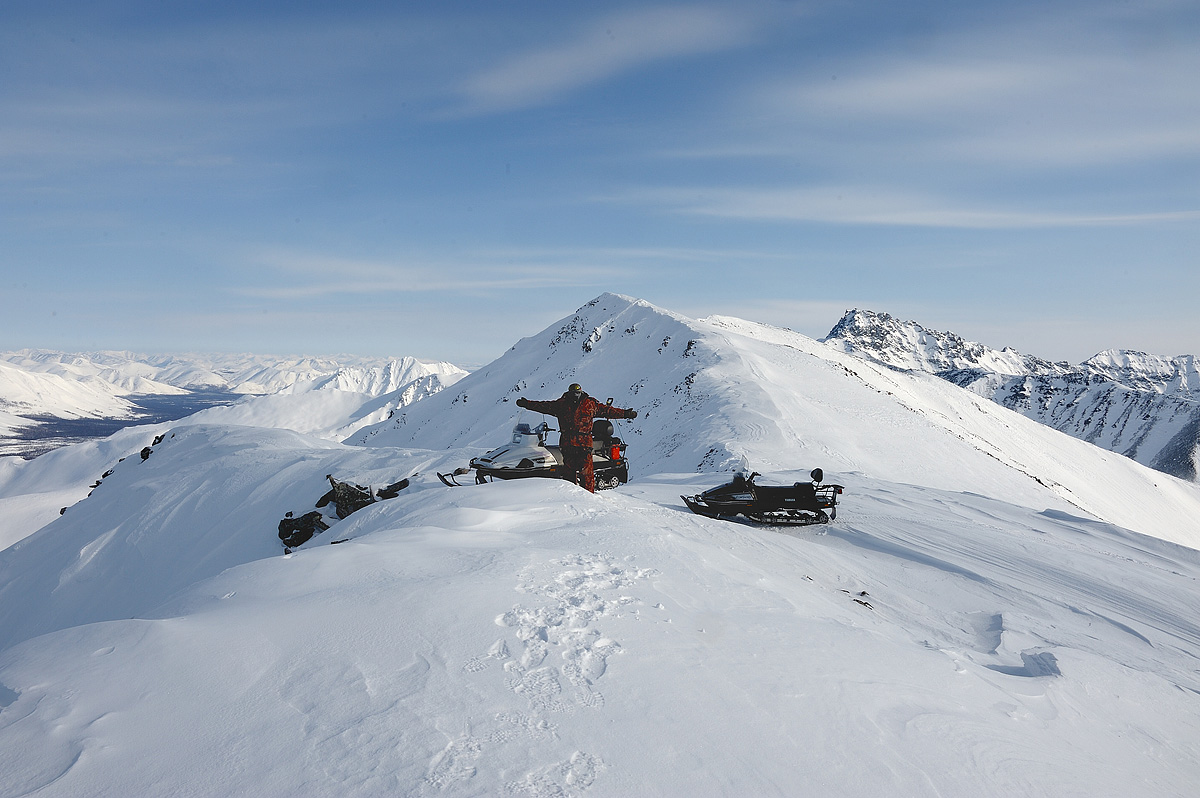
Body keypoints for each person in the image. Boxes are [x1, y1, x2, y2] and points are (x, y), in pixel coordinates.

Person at [516, 383, 638, 492]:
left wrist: (625, 414)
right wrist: (527, 404)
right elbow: (542, 406)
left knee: (586, 474)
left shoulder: (589, 404)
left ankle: (588, 498)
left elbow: (608, 411)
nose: (575, 395)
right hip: (569, 445)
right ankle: (572, 497)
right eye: (574, 393)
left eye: (577, 393)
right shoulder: (562, 404)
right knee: (569, 475)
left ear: (581, 393)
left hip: (582, 445)